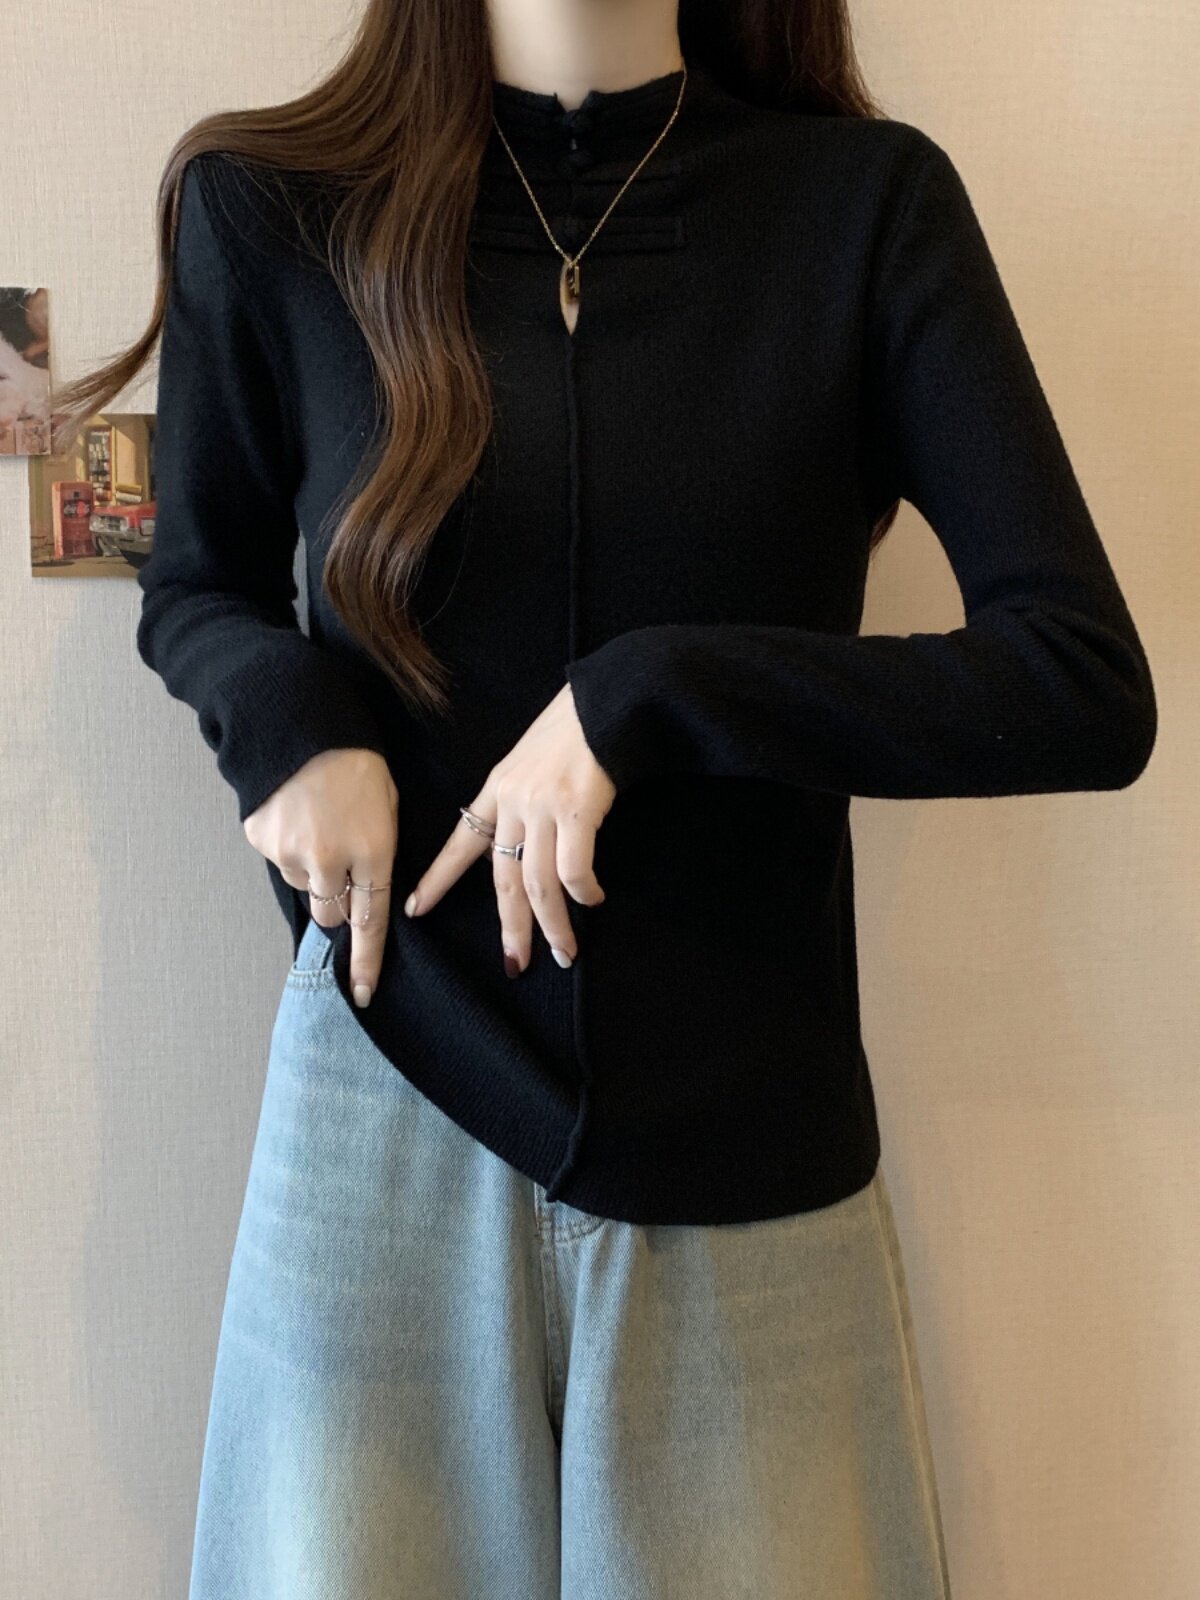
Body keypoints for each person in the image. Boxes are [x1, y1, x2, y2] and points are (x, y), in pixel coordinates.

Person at [56, 0, 1156, 1594]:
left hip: (748, 1130)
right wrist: (289, 727)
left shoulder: (863, 209)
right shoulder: (276, 206)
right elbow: (199, 584)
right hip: (387, 1090)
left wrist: (650, 695)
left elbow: (1078, 680)